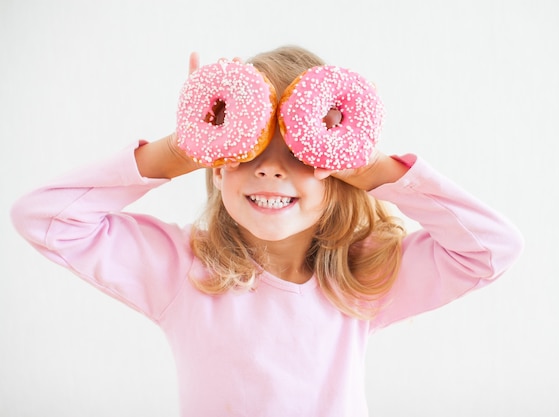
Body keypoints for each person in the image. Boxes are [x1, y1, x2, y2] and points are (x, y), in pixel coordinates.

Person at [11, 45, 524, 416]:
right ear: (217, 165)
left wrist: (374, 170)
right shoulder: (181, 269)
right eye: (248, 150)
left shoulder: (362, 277)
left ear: (339, 167)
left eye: (300, 153)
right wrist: (178, 150)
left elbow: (491, 249)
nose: (270, 170)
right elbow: (45, 218)